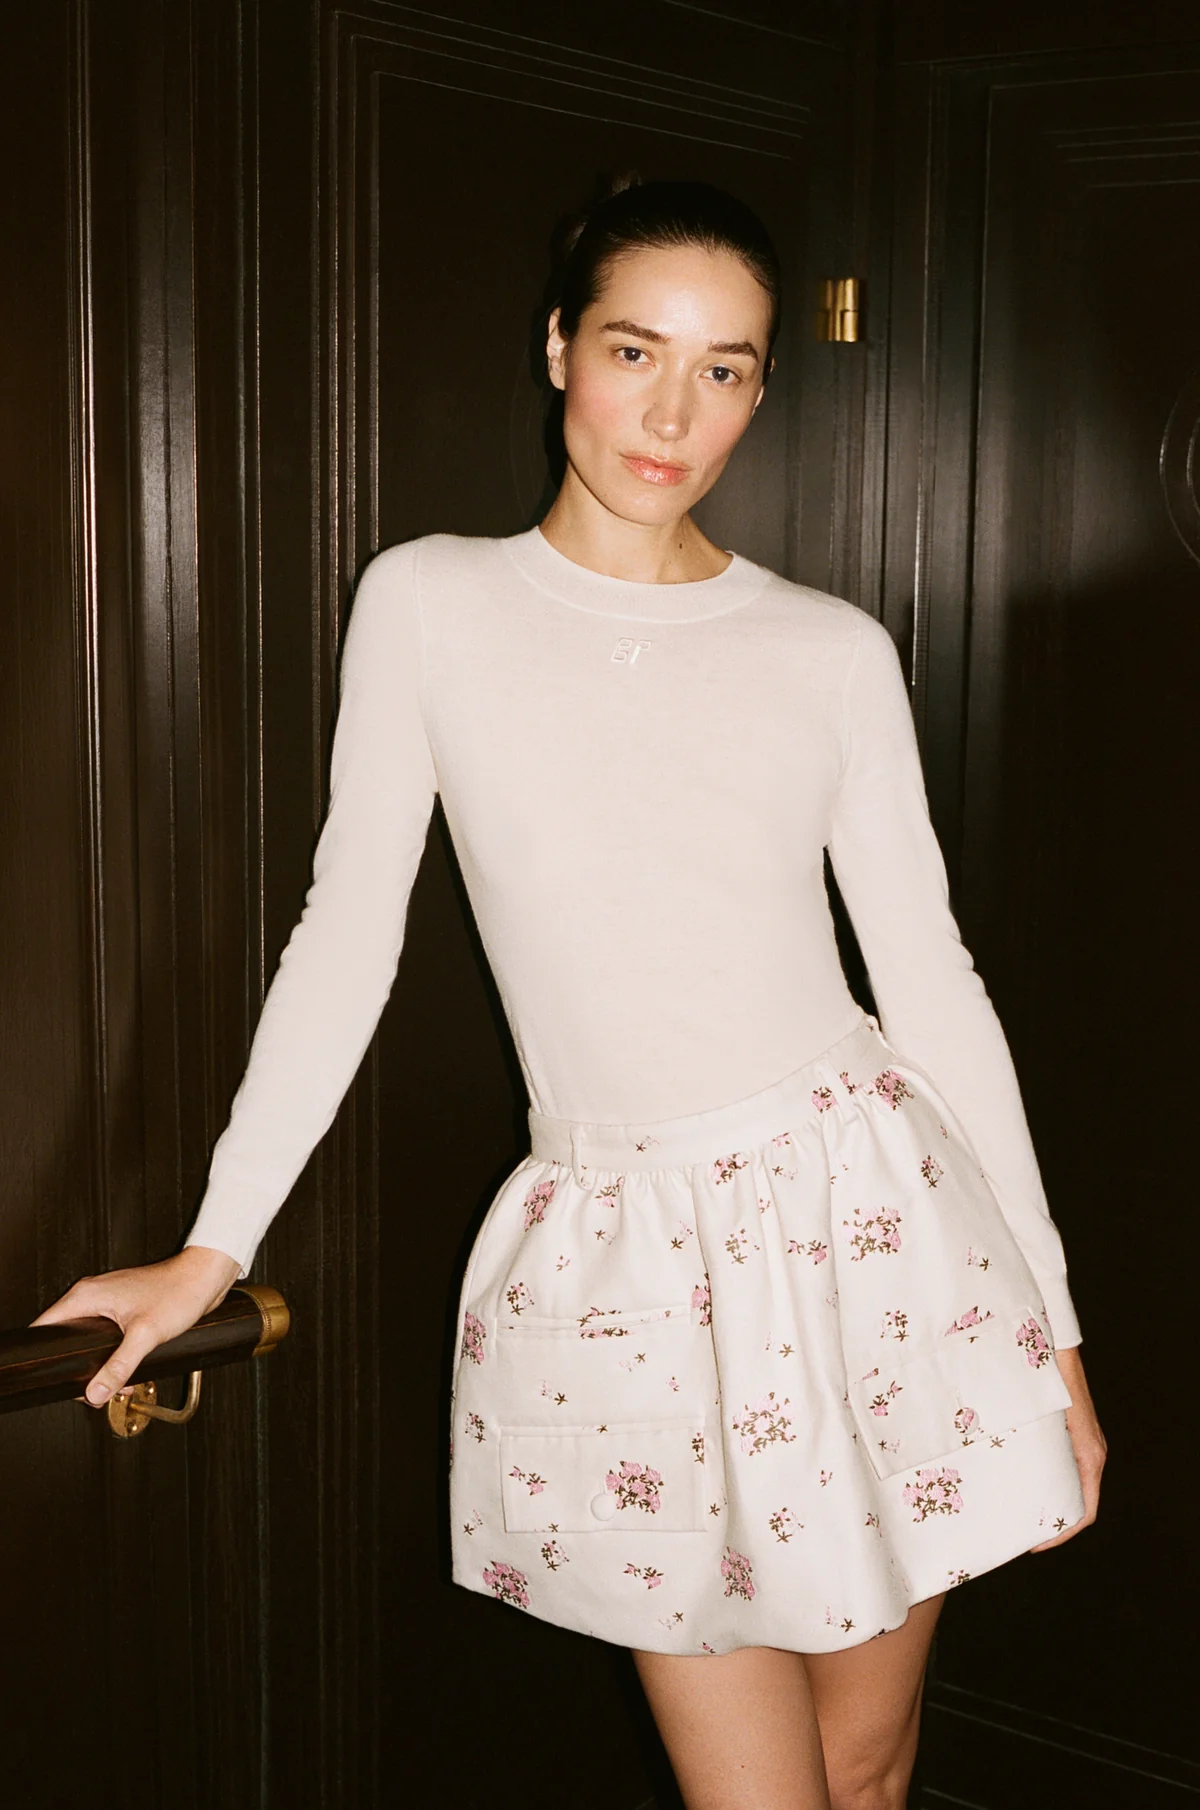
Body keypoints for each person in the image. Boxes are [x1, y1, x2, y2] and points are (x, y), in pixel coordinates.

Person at [32, 179, 1105, 1809]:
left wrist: (1056, 1332)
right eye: (634, 349)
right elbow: (347, 932)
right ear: (557, 349)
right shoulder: (429, 601)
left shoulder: (830, 649)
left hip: (875, 1227)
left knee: (869, 1764)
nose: (674, 413)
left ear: (762, 389)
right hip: (631, 1265)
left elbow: (935, 986)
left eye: (725, 368)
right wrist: (214, 1244)